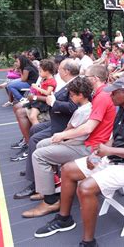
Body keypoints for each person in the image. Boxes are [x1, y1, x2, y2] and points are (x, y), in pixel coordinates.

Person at [33, 77, 124, 247]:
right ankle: (64, 219)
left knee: (85, 188)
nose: (110, 94)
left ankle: (89, 242)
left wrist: (109, 151)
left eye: (114, 92)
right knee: (68, 170)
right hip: (113, 158)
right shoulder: (122, 110)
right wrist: (97, 156)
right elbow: (115, 138)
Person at [22, 77, 93, 218]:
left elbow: (70, 130)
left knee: (39, 155)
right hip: (73, 140)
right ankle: (48, 186)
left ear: (80, 95)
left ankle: (50, 201)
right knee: (40, 144)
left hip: (76, 143)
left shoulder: (83, 110)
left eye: (72, 95)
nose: (70, 98)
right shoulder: (84, 107)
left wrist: (60, 136)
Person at [13, 59, 80, 195]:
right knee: (34, 129)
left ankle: (36, 183)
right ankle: (35, 169)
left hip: (64, 125)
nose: (58, 70)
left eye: (60, 68)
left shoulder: (75, 85)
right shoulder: (69, 83)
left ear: (67, 71)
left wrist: (54, 103)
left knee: (35, 139)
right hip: (58, 119)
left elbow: (73, 107)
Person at [27, 59, 57, 125]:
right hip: (39, 100)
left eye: (40, 71)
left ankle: (37, 130)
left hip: (42, 102)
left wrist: (37, 88)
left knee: (32, 116)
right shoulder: (45, 79)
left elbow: (47, 93)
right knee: (30, 114)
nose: (39, 73)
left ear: (47, 72)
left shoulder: (51, 81)